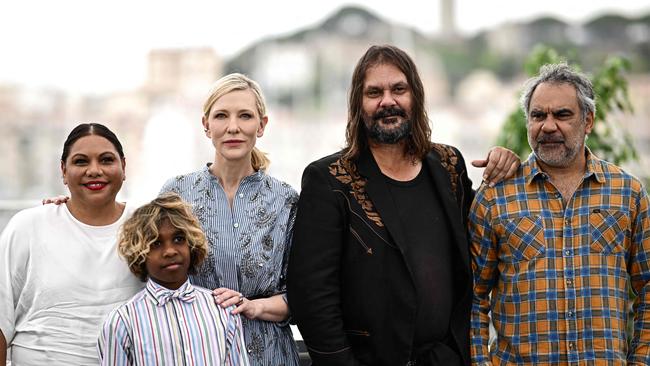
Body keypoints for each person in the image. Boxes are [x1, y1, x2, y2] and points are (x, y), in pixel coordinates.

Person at [287, 44, 520, 366]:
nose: (388, 101)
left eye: (399, 89)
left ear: (416, 98)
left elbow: (484, 237)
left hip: (447, 358)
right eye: (374, 92)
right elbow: (311, 295)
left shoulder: (450, 164)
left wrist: (505, 162)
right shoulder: (328, 179)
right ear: (358, 104)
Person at [469, 63, 650, 364]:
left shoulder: (627, 193)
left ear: (588, 121)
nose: (548, 126)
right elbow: (473, 298)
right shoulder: (494, 197)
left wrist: (641, 360)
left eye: (562, 115)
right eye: (538, 115)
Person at [160, 73, 299, 365]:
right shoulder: (176, 194)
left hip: (269, 356)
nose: (233, 127)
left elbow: (302, 295)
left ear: (261, 126)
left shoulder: (286, 200)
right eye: (221, 115)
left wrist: (254, 307)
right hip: (195, 353)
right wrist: (68, 206)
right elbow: (149, 268)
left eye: (245, 116)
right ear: (206, 125)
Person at [0, 123, 142, 365]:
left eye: (106, 160)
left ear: (124, 167)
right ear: (63, 171)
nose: (94, 170)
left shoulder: (148, 226)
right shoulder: (28, 226)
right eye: (81, 162)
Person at [98, 192, 250, 366]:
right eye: (155, 243)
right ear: (140, 254)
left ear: (191, 244)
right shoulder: (122, 322)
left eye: (178, 239)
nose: (170, 251)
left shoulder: (223, 311)